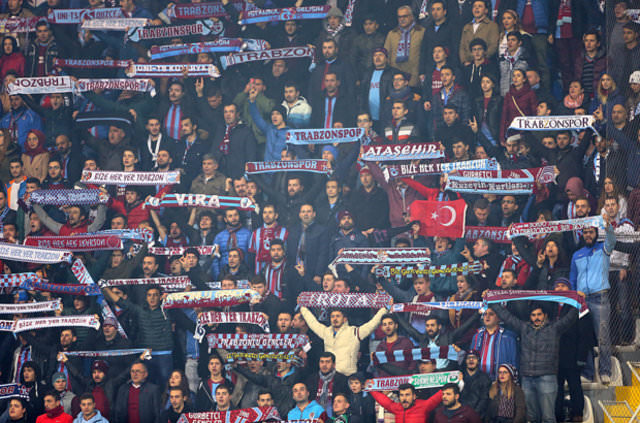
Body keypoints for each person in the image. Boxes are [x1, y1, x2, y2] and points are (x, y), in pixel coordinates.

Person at [490, 302, 578, 423]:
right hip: (527, 378)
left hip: (547, 377)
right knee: (531, 418)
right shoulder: (524, 328)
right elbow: (507, 317)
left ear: (545, 315)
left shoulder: (554, 328)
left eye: (539, 314)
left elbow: (569, 319)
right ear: (530, 317)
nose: (536, 318)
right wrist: (492, 301)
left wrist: (578, 302)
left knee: (548, 418)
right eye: (533, 315)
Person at [300, 307, 387, 376]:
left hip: (348, 375)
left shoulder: (354, 332)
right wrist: (303, 308)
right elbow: (313, 323)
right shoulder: (326, 332)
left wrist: (384, 309)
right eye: (332, 316)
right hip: (330, 376)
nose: (335, 319)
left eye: (338, 316)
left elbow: (372, 324)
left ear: (345, 319)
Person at [370, 383, 443, 422]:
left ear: (414, 396)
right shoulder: (396, 407)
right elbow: (382, 399)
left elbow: (442, 393)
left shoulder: (424, 405)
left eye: (407, 395)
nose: (404, 398)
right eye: (401, 395)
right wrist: (369, 387)